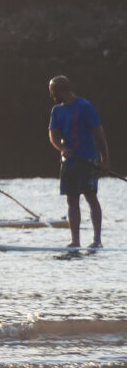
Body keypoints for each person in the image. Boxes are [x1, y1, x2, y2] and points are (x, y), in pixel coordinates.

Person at [47, 75, 108, 249]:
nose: (51, 96)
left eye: (52, 92)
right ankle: (75, 241)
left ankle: (97, 240)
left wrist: (105, 160)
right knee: (71, 200)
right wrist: (61, 148)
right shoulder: (56, 110)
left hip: (87, 159)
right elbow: (53, 135)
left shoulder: (85, 107)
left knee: (90, 197)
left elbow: (99, 134)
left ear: (60, 91)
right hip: (69, 162)